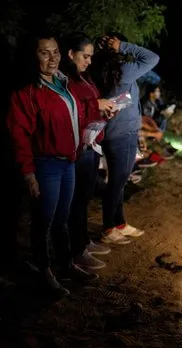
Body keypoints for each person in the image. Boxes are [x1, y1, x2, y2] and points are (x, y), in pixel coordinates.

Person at [7, 33, 108, 295]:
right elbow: (19, 136)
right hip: (46, 165)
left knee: (62, 218)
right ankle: (43, 270)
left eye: (56, 52)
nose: (52, 58)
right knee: (44, 221)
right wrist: (29, 174)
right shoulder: (28, 93)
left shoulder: (63, 83)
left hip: (68, 163)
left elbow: (75, 116)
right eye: (44, 52)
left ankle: (65, 264)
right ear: (33, 56)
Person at [92, 32, 159, 244]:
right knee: (117, 182)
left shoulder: (104, 70)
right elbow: (152, 58)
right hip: (121, 135)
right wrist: (123, 46)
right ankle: (108, 228)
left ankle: (119, 222)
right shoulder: (123, 71)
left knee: (119, 181)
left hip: (119, 131)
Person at [61, 32, 115, 271]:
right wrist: (96, 105)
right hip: (78, 147)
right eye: (85, 56)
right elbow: (69, 110)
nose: (89, 61)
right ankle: (76, 250)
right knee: (76, 201)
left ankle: (82, 242)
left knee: (84, 198)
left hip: (91, 144)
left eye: (91, 56)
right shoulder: (64, 80)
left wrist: (103, 109)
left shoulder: (82, 77)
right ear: (70, 54)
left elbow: (87, 107)